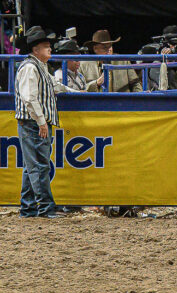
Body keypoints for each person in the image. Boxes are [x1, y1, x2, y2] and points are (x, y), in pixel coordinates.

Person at [15, 27, 72, 217]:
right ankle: (45, 207)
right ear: (35, 50)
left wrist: (79, 92)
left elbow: (56, 86)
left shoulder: (39, 67)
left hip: (32, 123)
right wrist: (41, 122)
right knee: (39, 166)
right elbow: (29, 98)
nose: (50, 50)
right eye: (46, 47)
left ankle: (28, 207)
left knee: (32, 166)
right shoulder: (31, 67)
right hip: (33, 123)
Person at [80, 29, 141, 93]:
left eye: (110, 46)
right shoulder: (84, 65)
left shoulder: (123, 61)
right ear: (95, 49)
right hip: (96, 102)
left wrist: (139, 97)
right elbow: (79, 90)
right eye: (104, 47)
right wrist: (96, 83)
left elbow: (135, 83)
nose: (109, 50)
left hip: (121, 101)